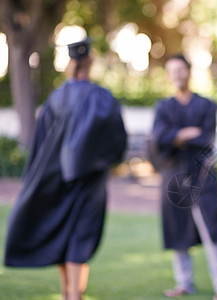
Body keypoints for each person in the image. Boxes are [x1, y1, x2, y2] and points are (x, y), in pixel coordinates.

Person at [4, 37, 127, 300]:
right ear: (90, 61)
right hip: (90, 182)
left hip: (56, 179)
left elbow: (40, 144)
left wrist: (34, 179)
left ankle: (69, 293)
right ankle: (74, 295)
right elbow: (118, 141)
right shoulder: (101, 97)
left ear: (69, 64)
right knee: (80, 238)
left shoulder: (55, 98)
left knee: (63, 234)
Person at [151, 54, 217, 300]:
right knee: (178, 233)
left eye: (181, 69)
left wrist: (174, 137)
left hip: (202, 175)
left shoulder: (206, 105)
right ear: (168, 75)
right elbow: (158, 139)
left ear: (189, 71)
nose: (177, 74)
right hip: (174, 174)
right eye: (172, 70)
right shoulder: (163, 106)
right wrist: (185, 134)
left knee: (211, 231)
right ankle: (184, 282)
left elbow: (206, 138)